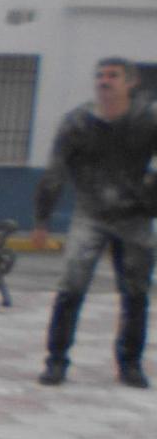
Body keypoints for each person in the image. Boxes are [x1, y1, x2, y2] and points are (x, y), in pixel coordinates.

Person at [32, 58, 157, 387]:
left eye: (113, 76)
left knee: (135, 293)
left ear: (130, 83)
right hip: (91, 215)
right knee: (71, 287)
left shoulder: (149, 120)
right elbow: (55, 170)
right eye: (99, 75)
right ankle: (56, 360)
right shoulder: (77, 122)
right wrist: (42, 219)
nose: (104, 81)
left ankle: (130, 364)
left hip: (135, 218)